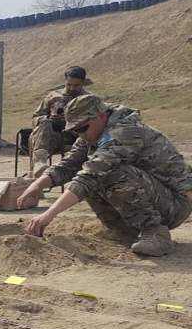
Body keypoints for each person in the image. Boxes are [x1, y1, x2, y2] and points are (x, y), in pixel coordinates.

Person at [18, 94, 192, 257]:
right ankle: (124, 231)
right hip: (155, 198)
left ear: (100, 116)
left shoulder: (125, 132)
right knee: (90, 176)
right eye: (76, 130)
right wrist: (37, 185)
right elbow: (69, 164)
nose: (80, 134)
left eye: (82, 128)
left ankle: (155, 233)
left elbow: (91, 174)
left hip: (175, 203)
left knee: (109, 174)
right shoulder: (93, 133)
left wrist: (49, 214)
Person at [29, 66, 90, 177]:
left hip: (75, 138)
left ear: (83, 83)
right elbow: (35, 117)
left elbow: (96, 123)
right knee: (44, 123)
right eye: (69, 84)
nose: (72, 88)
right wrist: (49, 118)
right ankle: (39, 164)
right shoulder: (53, 96)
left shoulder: (89, 99)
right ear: (65, 81)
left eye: (76, 85)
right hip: (52, 136)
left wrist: (72, 123)